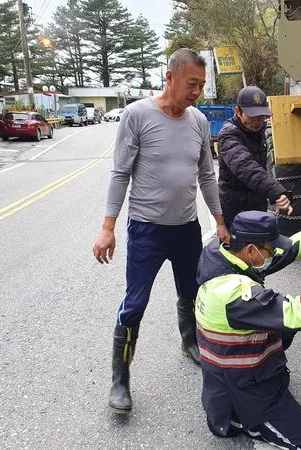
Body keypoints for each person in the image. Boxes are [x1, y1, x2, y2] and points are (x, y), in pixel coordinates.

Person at [92, 48, 231, 414]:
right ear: (169, 78)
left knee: (191, 293)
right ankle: (120, 380)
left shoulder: (199, 121)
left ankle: (189, 343)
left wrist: (218, 220)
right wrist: (108, 227)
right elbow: (120, 173)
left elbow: (205, 175)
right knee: (134, 304)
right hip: (147, 230)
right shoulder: (138, 115)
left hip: (187, 228)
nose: (197, 92)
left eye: (201, 85)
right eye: (191, 84)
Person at [195, 209, 301, 449]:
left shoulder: (221, 254)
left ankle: (234, 409)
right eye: (268, 248)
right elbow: (300, 313)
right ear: (250, 250)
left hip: (227, 366)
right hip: (243, 384)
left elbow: (281, 254)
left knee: (283, 326)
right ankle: (250, 423)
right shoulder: (235, 295)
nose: (273, 253)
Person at [217, 85, 292, 229]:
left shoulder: (261, 129)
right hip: (235, 211)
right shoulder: (228, 135)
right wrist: (275, 191)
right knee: (236, 250)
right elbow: (247, 167)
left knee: (260, 249)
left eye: (261, 116)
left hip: (257, 205)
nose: (257, 121)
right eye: (252, 116)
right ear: (237, 111)